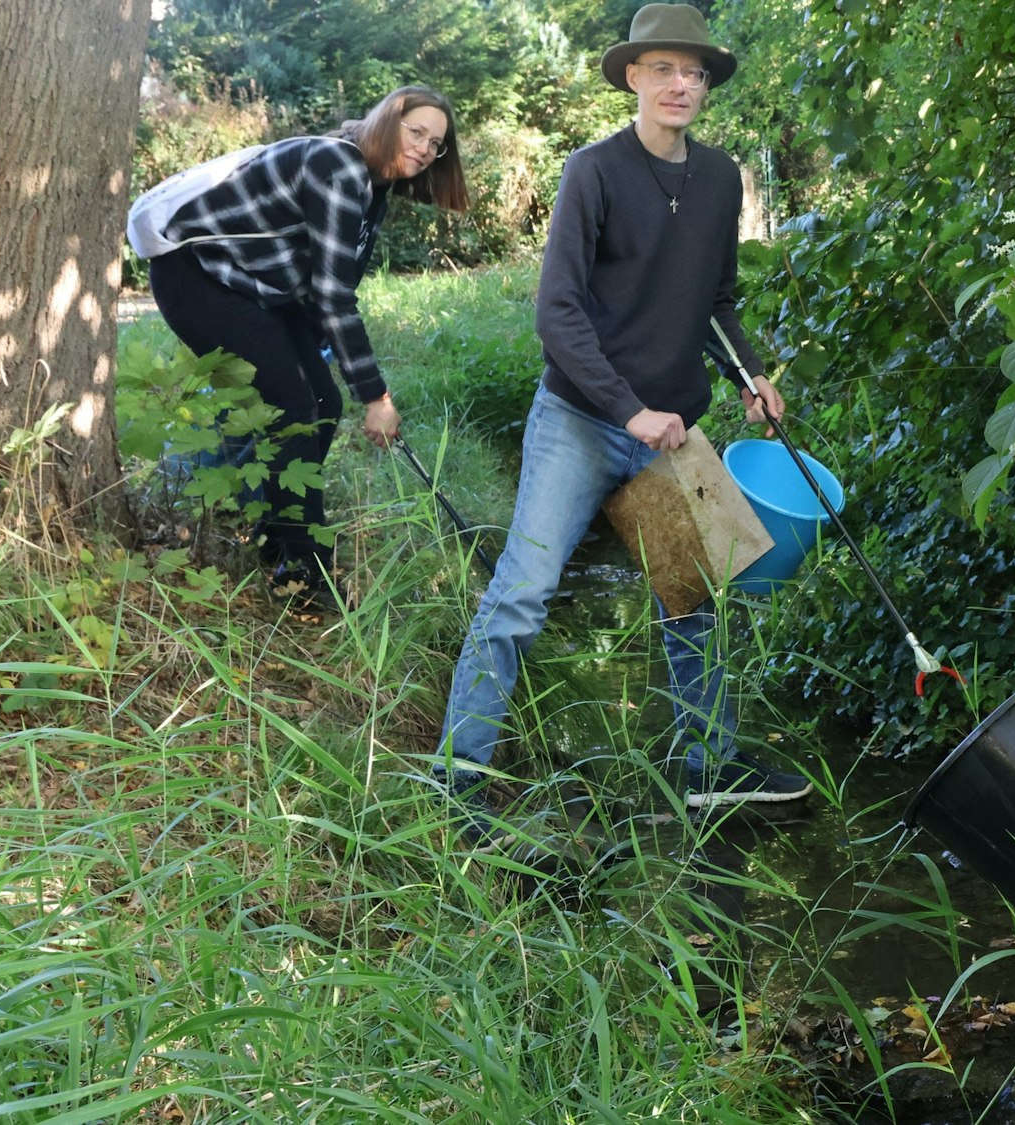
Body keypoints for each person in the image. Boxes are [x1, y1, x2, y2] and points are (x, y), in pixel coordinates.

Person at [438, 3, 812, 837]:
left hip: (674, 427)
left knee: (695, 599)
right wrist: (627, 409)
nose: (681, 84)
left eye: (695, 73)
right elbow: (558, 315)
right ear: (634, 77)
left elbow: (716, 301)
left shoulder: (721, 179)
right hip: (579, 418)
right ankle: (457, 781)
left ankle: (707, 767)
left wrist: (750, 374)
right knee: (523, 595)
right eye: (665, 69)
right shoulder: (592, 172)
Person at [146, 86, 470, 606]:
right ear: (388, 121)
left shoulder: (373, 183)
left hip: (252, 289)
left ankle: (276, 537)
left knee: (321, 402)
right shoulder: (337, 165)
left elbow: (326, 284)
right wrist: (377, 397)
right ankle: (301, 573)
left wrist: (323, 364)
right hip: (197, 278)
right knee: (294, 407)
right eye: (417, 132)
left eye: (436, 144)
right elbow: (333, 295)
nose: (426, 149)